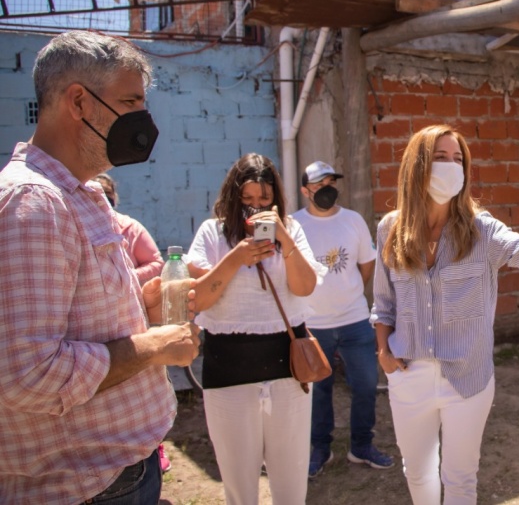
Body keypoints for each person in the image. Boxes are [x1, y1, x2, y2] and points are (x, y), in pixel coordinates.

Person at [0, 30, 200, 503]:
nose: (142, 119)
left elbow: (75, 310)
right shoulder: (34, 202)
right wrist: (152, 346)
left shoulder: (81, 193)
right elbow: (28, 374)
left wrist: (139, 301)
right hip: (87, 488)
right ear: (79, 102)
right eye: (130, 101)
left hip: (118, 477)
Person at [371, 124, 519, 505]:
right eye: (440, 158)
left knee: (459, 476)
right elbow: (383, 300)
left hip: (468, 377)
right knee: (417, 469)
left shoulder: (482, 230)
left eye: (458, 159)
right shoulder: (390, 229)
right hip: (408, 373)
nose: (451, 167)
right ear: (418, 165)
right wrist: (384, 352)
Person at [186, 153, 326, 505]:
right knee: (239, 486)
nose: (255, 208)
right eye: (246, 200)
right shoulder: (212, 232)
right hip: (227, 372)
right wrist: (236, 258)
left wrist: (285, 239)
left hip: (287, 370)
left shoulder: (291, 230)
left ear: (276, 200)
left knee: (291, 482)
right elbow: (198, 299)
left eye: (264, 200)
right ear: (233, 199)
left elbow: (306, 287)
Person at [292, 160, 394, 477]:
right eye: (319, 185)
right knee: (318, 391)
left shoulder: (353, 221)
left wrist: (346, 293)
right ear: (305, 191)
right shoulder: (293, 225)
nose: (327, 190)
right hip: (312, 324)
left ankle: (361, 445)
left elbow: (366, 266)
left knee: (365, 385)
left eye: (331, 183)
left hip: (354, 320)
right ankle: (320, 450)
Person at [94, 171, 172, 472]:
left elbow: (156, 262)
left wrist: (124, 280)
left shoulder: (127, 227)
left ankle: (154, 445)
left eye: (107, 195)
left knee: (138, 386)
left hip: (131, 325)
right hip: (95, 331)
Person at [94, 173, 165, 288]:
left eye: (106, 195)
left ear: (114, 198)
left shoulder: (130, 228)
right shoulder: (75, 227)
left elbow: (156, 263)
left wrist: (128, 276)